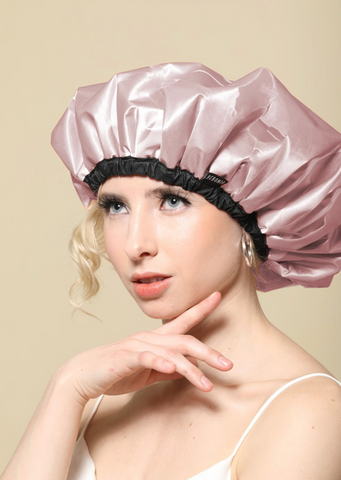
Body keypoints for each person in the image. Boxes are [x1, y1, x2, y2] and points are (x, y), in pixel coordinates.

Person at [2, 63, 341, 480]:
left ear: (250, 214)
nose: (135, 244)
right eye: (116, 207)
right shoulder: (93, 396)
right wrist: (65, 387)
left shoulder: (308, 414)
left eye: (173, 201)